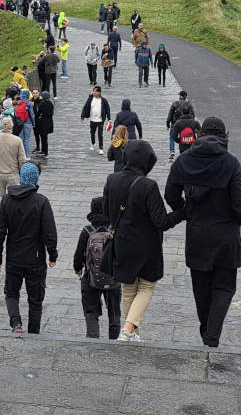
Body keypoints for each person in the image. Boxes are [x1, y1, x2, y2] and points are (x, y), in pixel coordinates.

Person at [164, 117, 241, 347]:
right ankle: (211, 338)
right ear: (224, 136)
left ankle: (207, 336)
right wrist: (234, 218)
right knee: (224, 288)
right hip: (225, 236)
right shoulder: (230, 162)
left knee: (201, 291)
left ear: (200, 134)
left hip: (197, 235)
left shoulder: (184, 160)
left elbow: (170, 194)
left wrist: (186, 210)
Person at [106, 141, 184, 341]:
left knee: (128, 288)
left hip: (122, 243)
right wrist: (183, 212)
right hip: (146, 246)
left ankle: (132, 333)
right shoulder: (148, 185)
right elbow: (162, 221)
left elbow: (107, 213)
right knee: (147, 286)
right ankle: (128, 329)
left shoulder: (112, 179)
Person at [0, 162, 58, 334]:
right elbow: (49, 232)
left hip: (14, 257)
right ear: (36, 179)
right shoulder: (41, 202)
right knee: (35, 299)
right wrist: (52, 255)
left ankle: (16, 324)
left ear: (21, 177)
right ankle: (34, 331)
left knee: (11, 293)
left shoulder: (7, 200)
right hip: (35, 259)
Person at [73, 196, 122, 339]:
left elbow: (78, 256)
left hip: (91, 278)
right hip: (113, 278)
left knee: (91, 312)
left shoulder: (87, 231)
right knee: (114, 313)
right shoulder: (115, 229)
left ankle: (93, 340)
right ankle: (114, 341)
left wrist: (78, 268)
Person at [0, 117, 26, 197]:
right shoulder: (17, 140)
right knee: (15, 197)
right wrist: (21, 171)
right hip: (13, 174)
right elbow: (22, 159)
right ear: (12, 126)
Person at [81, 86, 111, 155]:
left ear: (99, 92)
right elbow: (85, 107)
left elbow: (107, 109)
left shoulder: (103, 100)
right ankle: (93, 143)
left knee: (100, 134)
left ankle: (101, 148)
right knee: (92, 132)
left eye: (95, 91)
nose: (94, 92)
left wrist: (109, 118)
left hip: (100, 120)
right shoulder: (90, 99)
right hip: (92, 119)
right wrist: (82, 117)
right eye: (93, 91)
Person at [166, 91, 194, 160]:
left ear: (180, 96)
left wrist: (167, 123)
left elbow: (170, 114)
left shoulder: (175, 103)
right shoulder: (189, 104)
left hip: (174, 122)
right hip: (185, 123)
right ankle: (186, 150)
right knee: (184, 136)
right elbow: (193, 114)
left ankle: (172, 151)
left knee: (172, 137)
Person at [34, 91, 54, 159]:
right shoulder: (51, 104)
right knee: (45, 137)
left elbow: (38, 113)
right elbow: (51, 113)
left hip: (42, 123)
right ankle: (44, 150)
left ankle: (45, 151)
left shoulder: (42, 104)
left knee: (43, 137)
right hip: (49, 122)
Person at [15, 89, 35, 158]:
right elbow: (32, 114)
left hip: (20, 123)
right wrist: (33, 123)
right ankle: (27, 156)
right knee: (27, 140)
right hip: (28, 123)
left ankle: (21, 156)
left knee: (20, 139)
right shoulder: (29, 103)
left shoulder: (18, 103)